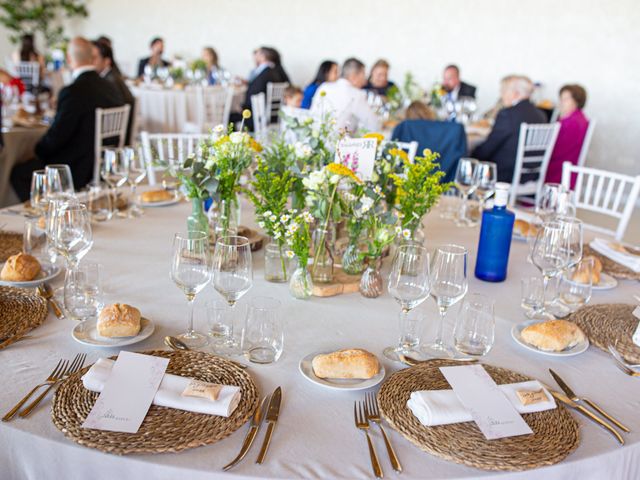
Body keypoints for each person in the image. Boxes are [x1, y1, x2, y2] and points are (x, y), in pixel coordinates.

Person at [10, 37, 124, 200]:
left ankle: (45, 215)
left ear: (69, 59)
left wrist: (35, 150)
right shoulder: (111, 87)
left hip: (76, 169)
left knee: (19, 173)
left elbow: (57, 137)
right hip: (105, 165)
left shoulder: (72, 91)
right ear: (92, 58)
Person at [471, 75, 546, 183]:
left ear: (516, 94)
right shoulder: (541, 115)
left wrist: (470, 155)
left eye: (504, 91)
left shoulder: (508, 114)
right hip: (531, 175)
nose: (501, 95)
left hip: (504, 174)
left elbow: (489, 148)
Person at [310, 57, 381, 133]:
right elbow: (373, 125)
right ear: (353, 76)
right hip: (340, 143)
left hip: (315, 140)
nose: (365, 80)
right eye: (363, 74)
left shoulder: (323, 87)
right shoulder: (357, 94)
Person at [545, 84, 589, 184]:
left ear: (576, 101)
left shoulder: (572, 122)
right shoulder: (578, 118)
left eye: (566, 99)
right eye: (561, 98)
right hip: (566, 164)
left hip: (560, 167)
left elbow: (557, 148)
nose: (561, 102)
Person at [93, 40, 135, 143]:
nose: (91, 61)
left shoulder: (109, 81)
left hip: (111, 136)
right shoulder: (112, 76)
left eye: (95, 58)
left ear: (107, 61)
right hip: (119, 133)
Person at [238, 47, 288, 128]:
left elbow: (255, 92)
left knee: (232, 116)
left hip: (258, 115)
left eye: (258, 54)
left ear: (263, 56)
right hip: (276, 115)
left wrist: (242, 107)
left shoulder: (265, 72)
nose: (255, 56)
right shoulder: (276, 71)